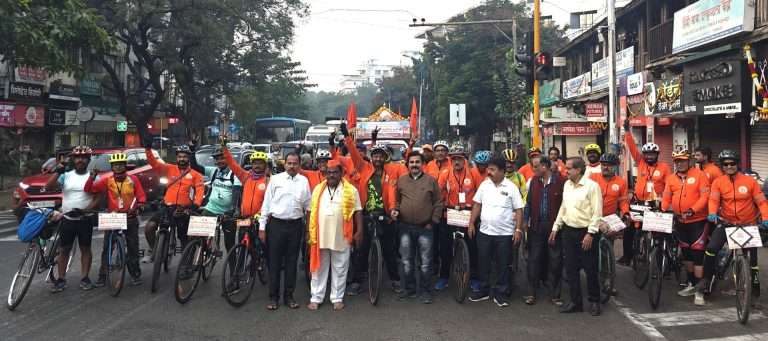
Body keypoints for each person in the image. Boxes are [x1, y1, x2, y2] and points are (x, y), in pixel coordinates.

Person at [696, 150, 768, 305]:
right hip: (726, 222)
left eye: (732, 163)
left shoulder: (750, 182)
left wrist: (766, 218)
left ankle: (754, 290)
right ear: (722, 166)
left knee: (753, 261)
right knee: (711, 249)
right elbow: (714, 200)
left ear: (737, 164)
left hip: (748, 223)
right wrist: (712, 213)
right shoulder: (718, 182)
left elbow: (761, 202)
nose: (729, 166)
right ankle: (705, 282)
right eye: (726, 164)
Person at [343, 133, 407, 295]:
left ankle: (395, 280)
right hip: (367, 215)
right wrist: (347, 137)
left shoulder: (392, 171)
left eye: (381, 156)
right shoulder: (364, 168)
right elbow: (354, 154)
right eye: (375, 155)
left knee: (389, 251)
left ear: (385, 158)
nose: (378, 158)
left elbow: (393, 192)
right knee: (362, 250)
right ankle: (357, 281)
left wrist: (393, 209)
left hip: (386, 216)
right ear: (371, 157)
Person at [467, 157, 525, 307]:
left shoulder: (511, 187)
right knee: (483, 262)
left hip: (504, 234)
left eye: (492, 169)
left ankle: (501, 292)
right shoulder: (484, 185)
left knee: (503, 264)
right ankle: (484, 289)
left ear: (501, 171)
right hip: (485, 232)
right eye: (488, 169)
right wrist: (471, 223)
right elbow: (477, 205)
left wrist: (518, 229)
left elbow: (519, 210)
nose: (489, 172)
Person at [306, 160, 363, 311]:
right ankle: (316, 297)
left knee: (340, 267)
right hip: (320, 236)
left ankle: (337, 298)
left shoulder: (351, 190)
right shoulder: (318, 189)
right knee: (318, 268)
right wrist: (308, 232)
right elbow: (311, 212)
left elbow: (358, 211)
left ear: (341, 173)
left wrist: (359, 230)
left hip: (342, 236)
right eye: (329, 172)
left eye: (335, 172)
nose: (331, 175)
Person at [550, 157, 603, 315]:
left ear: (579, 170)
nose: (565, 171)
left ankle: (594, 301)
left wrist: (591, 233)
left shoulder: (592, 187)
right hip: (568, 231)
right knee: (571, 269)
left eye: (569, 168)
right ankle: (576, 302)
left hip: (586, 232)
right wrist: (556, 227)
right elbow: (563, 207)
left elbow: (597, 212)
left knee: (590, 268)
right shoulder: (567, 185)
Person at [84, 152, 147, 287]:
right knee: (107, 247)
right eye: (115, 165)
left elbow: (141, 195)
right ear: (112, 167)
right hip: (113, 217)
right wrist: (91, 177)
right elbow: (88, 189)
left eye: (120, 165)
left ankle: (135, 274)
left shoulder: (133, 179)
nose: (118, 168)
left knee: (132, 247)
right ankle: (102, 275)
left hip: (129, 216)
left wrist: (140, 205)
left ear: (125, 166)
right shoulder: (108, 180)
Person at [259, 152, 311, 310]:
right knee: (274, 262)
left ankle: (289, 296)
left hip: (295, 226)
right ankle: (273, 297)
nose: (292, 166)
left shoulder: (304, 181)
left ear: (299, 165)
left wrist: (308, 229)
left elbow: (308, 207)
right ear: (285, 164)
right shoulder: (276, 179)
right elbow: (266, 205)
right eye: (289, 163)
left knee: (291, 262)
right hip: (276, 225)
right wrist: (262, 227)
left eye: (295, 163)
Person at [45, 146, 100, 292]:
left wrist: (87, 209)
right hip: (68, 218)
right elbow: (48, 187)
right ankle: (61, 279)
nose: (80, 160)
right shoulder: (66, 175)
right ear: (74, 160)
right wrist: (59, 170)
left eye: (84, 158)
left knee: (85, 248)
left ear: (88, 160)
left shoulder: (93, 176)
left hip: (85, 218)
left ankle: (85, 278)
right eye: (77, 157)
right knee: (64, 249)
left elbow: (98, 198)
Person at [392, 152, 444, 304]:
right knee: (407, 261)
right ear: (407, 164)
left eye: (417, 162)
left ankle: (426, 291)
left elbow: (438, 203)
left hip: (425, 228)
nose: (414, 165)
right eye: (411, 162)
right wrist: (395, 210)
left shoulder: (431, 181)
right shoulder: (401, 181)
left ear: (422, 164)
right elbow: (397, 201)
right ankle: (409, 289)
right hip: (405, 227)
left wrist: (433, 221)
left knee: (426, 262)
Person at [661, 149, 710, 298]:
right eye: (677, 161)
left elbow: (705, 196)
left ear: (688, 161)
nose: (680, 163)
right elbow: (666, 197)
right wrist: (663, 209)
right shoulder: (671, 179)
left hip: (698, 221)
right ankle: (691, 283)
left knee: (697, 255)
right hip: (680, 221)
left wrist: (693, 210)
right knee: (687, 254)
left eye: (682, 160)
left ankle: (700, 291)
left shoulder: (700, 175)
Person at [144, 143, 205, 252]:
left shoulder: (196, 175)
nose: (182, 159)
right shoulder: (169, 168)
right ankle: (155, 251)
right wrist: (148, 149)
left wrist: (195, 205)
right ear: (176, 157)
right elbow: (154, 163)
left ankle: (186, 264)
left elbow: (200, 191)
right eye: (180, 156)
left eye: (185, 156)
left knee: (185, 238)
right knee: (149, 227)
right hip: (168, 207)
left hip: (184, 209)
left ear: (189, 158)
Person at [435, 144, 479, 291]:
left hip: (469, 214)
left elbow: (481, 193)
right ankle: (444, 277)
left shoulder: (473, 173)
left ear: (464, 159)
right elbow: (438, 193)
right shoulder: (445, 173)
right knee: (445, 248)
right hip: (450, 213)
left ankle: (474, 278)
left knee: (472, 247)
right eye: (453, 159)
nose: (456, 162)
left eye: (459, 158)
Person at [522, 156, 565, 306]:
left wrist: (559, 226)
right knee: (534, 260)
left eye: (536, 167)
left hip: (554, 227)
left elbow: (565, 205)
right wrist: (525, 221)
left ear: (545, 167)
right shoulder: (534, 182)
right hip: (537, 226)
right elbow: (528, 203)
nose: (534, 170)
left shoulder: (560, 182)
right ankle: (531, 293)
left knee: (555, 260)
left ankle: (555, 294)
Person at [191, 145, 242, 249]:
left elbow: (236, 192)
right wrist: (192, 151)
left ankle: (233, 265)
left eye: (222, 158)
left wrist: (232, 209)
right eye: (217, 159)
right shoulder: (213, 171)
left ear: (228, 158)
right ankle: (201, 254)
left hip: (227, 213)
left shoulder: (235, 174)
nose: (220, 161)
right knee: (195, 236)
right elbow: (195, 167)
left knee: (229, 244)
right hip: (211, 209)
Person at [223, 146, 270, 252]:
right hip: (244, 219)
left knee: (260, 250)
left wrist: (259, 214)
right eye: (255, 163)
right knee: (242, 247)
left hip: (259, 220)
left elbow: (269, 203)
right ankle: (239, 268)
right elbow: (232, 164)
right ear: (251, 164)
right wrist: (224, 147)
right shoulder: (246, 177)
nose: (257, 165)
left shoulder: (268, 181)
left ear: (265, 165)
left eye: (260, 163)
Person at [590, 153, 631, 266]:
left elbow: (623, 201)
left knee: (607, 247)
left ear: (615, 166)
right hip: (593, 217)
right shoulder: (592, 178)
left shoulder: (621, 182)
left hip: (610, 218)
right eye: (603, 164)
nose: (605, 167)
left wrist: (626, 212)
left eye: (609, 165)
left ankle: (606, 271)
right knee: (591, 247)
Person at [624, 120, 673, 203]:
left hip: (656, 202)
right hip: (638, 200)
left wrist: (665, 200)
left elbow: (670, 186)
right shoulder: (641, 162)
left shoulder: (664, 167)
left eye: (652, 154)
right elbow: (632, 148)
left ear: (657, 155)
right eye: (647, 154)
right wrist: (627, 132)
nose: (649, 156)